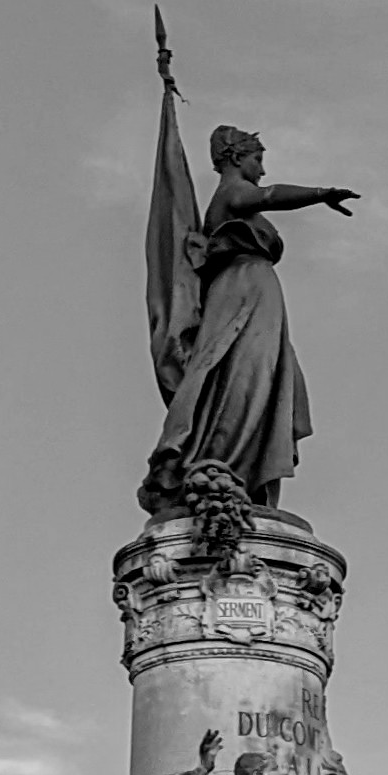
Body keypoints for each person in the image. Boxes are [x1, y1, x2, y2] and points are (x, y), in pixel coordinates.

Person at [144, 125, 360, 511]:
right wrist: (320, 194)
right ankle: (217, 458)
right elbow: (271, 195)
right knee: (243, 373)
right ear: (235, 157)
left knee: (261, 375)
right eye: (257, 159)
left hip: (254, 290)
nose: (260, 168)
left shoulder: (234, 197)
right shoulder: (231, 193)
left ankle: (239, 467)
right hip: (241, 288)